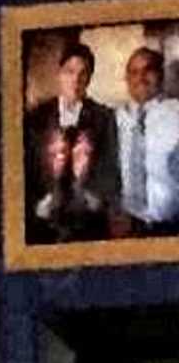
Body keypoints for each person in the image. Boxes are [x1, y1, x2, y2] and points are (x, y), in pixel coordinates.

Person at [28, 36, 121, 241]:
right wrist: (38, 205)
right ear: (59, 74)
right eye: (70, 72)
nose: (76, 80)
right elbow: (27, 167)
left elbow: (110, 165)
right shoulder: (36, 117)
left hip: (89, 221)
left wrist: (93, 200)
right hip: (42, 222)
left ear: (89, 78)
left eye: (83, 73)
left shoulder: (103, 117)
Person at [122, 39, 179, 235]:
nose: (141, 77)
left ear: (161, 76)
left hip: (172, 226)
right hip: (126, 226)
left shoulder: (176, 113)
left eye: (149, 70)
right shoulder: (113, 118)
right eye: (134, 72)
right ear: (127, 79)